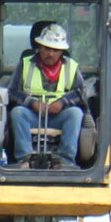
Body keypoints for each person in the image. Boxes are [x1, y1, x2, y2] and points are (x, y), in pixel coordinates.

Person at [11, 24, 86, 167]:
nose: (50, 54)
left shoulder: (72, 67)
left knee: (75, 113)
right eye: (46, 48)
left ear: (62, 51)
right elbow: (12, 91)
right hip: (33, 116)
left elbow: (81, 93)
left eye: (55, 50)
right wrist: (32, 103)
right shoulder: (25, 64)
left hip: (59, 116)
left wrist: (62, 102)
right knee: (17, 112)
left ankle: (66, 161)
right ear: (39, 47)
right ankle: (24, 159)